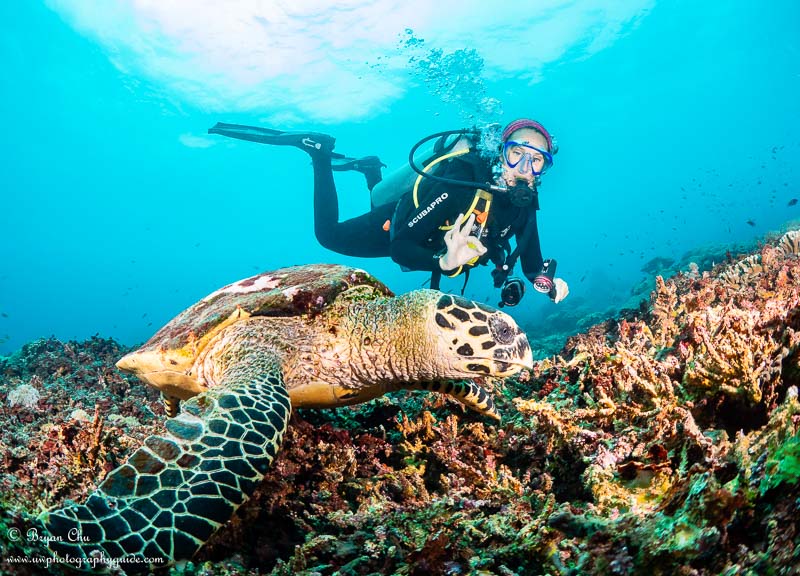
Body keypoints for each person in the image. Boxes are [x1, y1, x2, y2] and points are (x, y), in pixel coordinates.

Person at [208, 119, 568, 307]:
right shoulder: (459, 183)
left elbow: (532, 262)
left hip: (420, 227)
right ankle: (318, 152)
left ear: (545, 169)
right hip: (403, 226)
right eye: (515, 154)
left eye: (537, 160)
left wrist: (548, 283)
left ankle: (369, 171)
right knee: (329, 236)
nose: (524, 167)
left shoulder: (524, 204)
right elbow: (400, 246)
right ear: (499, 152)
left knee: (376, 202)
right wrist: (443, 262)